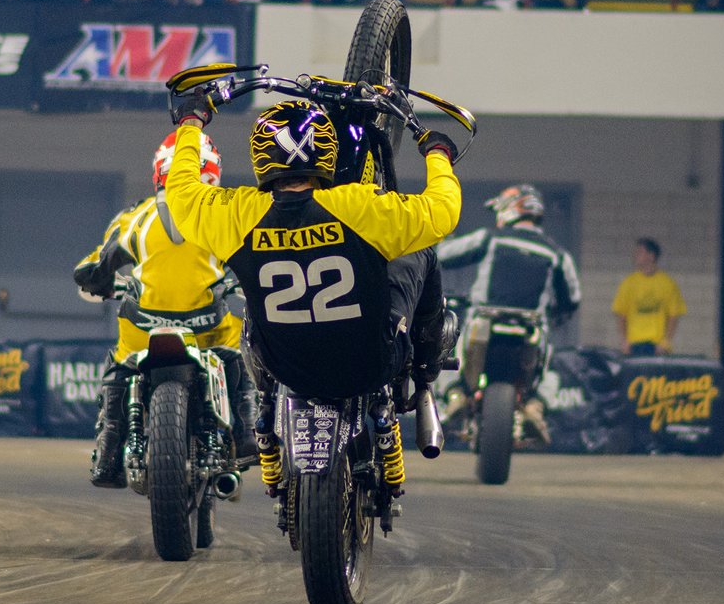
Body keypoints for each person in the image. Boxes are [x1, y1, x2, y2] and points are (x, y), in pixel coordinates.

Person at [162, 82, 460, 493]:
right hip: (371, 365)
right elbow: (442, 211)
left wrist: (192, 123)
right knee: (423, 251)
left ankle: (266, 406)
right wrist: (438, 154)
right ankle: (426, 375)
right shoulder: (360, 206)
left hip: (286, 368)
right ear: (327, 152)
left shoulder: (236, 215)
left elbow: (182, 193)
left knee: (248, 310)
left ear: (261, 159)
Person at [73, 134, 256, 488]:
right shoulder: (225, 211)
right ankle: (248, 432)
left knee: (120, 365)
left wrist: (99, 283)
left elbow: (95, 266)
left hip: (146, 327)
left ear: (159, 169)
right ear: (212, 170)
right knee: (240, 354)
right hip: (208, 327)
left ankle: (109, 452)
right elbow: (257, 258)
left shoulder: (133, 218)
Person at [436, 184, 581, 435]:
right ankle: (535, 407)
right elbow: (573, 297)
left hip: (484, 319)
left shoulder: (490, 238)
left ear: (510, 210)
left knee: (444, 350)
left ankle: (454, 395)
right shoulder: (556, 253)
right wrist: (555, 314)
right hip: (532, 327)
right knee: (551, 368)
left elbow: (443, 255)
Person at [612, 238, 687, 356]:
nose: (635, 256)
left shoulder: (667, 283)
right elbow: (621, 314)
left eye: (640, 253)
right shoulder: (629, 283)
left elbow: (674, 315)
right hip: (634, 345)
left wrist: (666, 342)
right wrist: (624, 341)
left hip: (657, 346)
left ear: (651, 256)